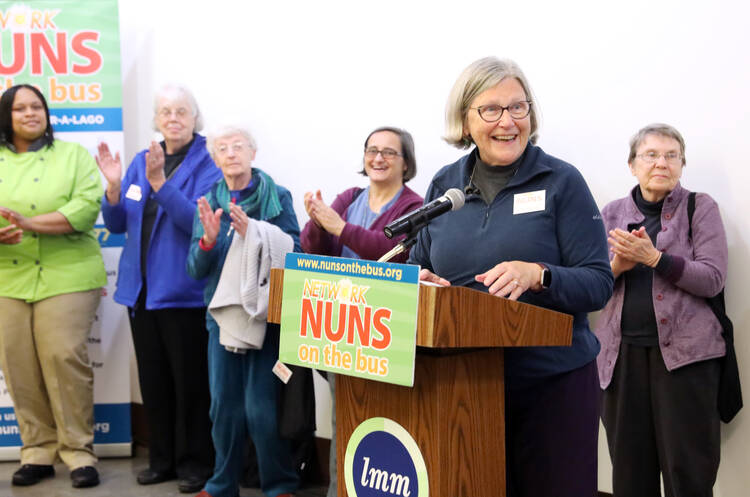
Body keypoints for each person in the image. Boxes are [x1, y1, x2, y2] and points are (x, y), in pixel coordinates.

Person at [407, 57, 613, 497]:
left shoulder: (561, 181)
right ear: (464, 120)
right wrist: (420, 281)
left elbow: (598, 283)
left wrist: (539, 274)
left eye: (518, 108)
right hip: (465, 385)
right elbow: (420, 263)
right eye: (492, 110)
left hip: (550, 385)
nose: (508, 122)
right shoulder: (446, 185)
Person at [96, 84, 219, 493]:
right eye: (165, 111)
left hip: (183, 292)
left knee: (191, 385)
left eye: (182, 111)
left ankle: (196, 462)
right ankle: (161, 459)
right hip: (140, 293)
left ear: (195, 118)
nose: (173, 118)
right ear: (156, 119)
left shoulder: (209, 162)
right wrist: (114, 188)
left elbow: (198, 224)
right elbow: (116, 224)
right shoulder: (139, 161)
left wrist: (161, 184)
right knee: (154, 381)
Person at [596, 123, 727, 497]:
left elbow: (713, 278)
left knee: (688, 474)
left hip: (687, 363)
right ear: (632, 164)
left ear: (682, 165)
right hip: (620, 362)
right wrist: (619, 265)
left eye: (672, 156)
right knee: (629, 474)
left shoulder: (700, 207)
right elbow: (592, 287)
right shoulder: (611, 213)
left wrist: (654, 258)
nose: (661, 163)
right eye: (650, 155)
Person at [300, 126, 423, 497]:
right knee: (343, 419)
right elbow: (313, 247)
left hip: (384, 332)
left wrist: (339, 226)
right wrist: (317, 223)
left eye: (389, 152)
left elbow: (394, 251)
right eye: (372, 150)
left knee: (383, 420)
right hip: (342, 328)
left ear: (406, 163)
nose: (378, 158)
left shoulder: (413, 206)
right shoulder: (349, 197)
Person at [0, 84, 106, 488]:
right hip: (7, 274)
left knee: (63, 356)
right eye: (20, 108)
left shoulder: (73, 156)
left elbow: (83, 209)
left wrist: (28, 224)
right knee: (17, 363)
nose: (31, 113)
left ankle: (79, 452)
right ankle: (37, 450)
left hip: (68, 272)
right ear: (6, 117)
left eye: (37, 106)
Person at [187, 125, 301, 497]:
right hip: (220, 319)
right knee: (223, 408)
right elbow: (194, 268)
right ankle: (221, 484)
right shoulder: (208, 200)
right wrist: (207, 240)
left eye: (238, 146)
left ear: (253, 152)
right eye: (223, 148)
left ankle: (279, 483)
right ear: (215, 158)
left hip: (263, 318)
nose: (231, 153)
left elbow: (293, 252)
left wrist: (256, 233)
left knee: (261, 409)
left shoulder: (276, 197)